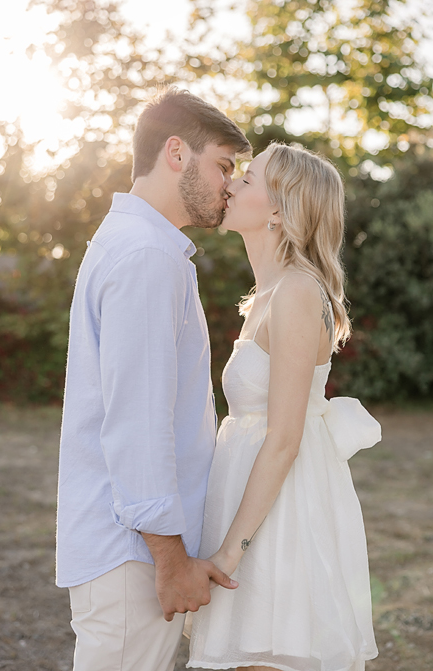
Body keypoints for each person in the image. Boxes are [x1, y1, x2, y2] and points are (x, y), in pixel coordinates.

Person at [55, 87, 252, 671]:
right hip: (134, 557)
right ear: (175, 153)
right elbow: (137, 422)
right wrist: (170, 561)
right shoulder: (145, 255)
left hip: (133, 548)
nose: (229, 185)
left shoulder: (140, 246)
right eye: (223, 166)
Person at [187, 143, 379, 670]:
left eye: (247, 179)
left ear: (278, 209)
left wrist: (231, 550)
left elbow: (285, 438)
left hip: (281, 514)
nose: (229, 184)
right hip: (249, 498)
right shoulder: (267, 294)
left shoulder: (296, 290)